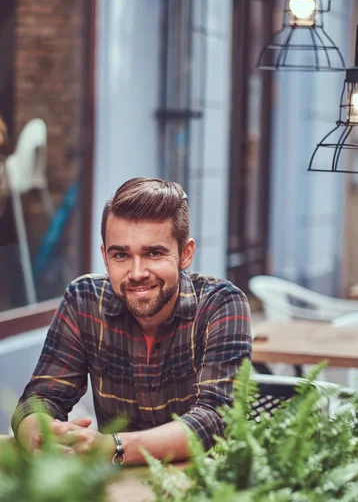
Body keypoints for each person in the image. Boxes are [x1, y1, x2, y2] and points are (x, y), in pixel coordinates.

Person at [12, 178, 252, 464]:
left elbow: (216, 418)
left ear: (185, 254)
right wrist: (41, 435)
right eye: (121, 255)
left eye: (153, 253)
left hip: (204, 492)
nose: (137, 272)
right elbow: (41, 397)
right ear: (105, 257)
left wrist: (112, 447)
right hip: (115, 493)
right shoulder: (84, 299)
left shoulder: (221, 303)